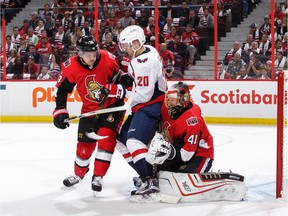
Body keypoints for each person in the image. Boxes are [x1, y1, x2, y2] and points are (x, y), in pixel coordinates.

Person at [52, 35, 128, 193]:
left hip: (112, 107)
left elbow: (124, 77)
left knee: (106, 140)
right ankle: (78, 175)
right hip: (89, 110)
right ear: (79, 53)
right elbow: (63, 90)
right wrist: (60, 111)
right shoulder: (70, 66)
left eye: (94, 53)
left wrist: (120, 87)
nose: (92, 57)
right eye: (88, 55)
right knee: (84, 147)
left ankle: (98, 176)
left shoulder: (108, 58)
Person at [117, 25, 167, 196]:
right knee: (121, 141)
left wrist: (122, 93)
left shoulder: (142, 63)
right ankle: (144, 175)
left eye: (125, 45)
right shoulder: (148, 50)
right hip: (146, 105)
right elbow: (141, 82)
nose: (123, 48)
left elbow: (144, 96)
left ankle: (150, 178)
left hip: (152, 106)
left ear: (136, 43)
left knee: (133, 142)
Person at [145, 81, 214, 174]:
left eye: (172, 99)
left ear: (183, 100)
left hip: (200, 152)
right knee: (160, 171)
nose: (168, 102)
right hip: (178, 146)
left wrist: (169, 152)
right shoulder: (166, 108)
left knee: (186, 177)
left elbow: (187, 154)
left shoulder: (192, 120)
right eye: (168, 99)